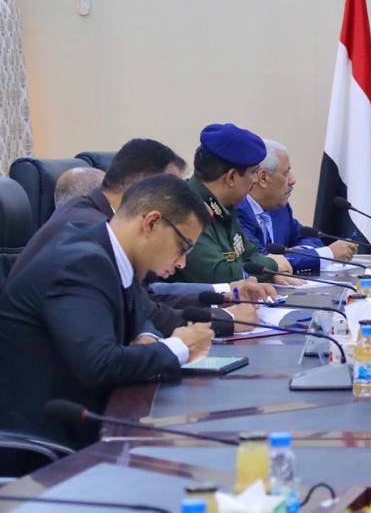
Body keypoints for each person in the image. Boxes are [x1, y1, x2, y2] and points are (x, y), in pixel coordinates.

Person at [0, 174, 215, 450]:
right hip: (48, 440)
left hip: (96, 417)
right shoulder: (79, 263)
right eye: (182, 247)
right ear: (151, 223)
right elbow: (99, 365)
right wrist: (179, 347)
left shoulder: (113, 252)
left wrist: (148, 338)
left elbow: (142, 316)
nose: (182, 262)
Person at [8, 138, 271, 336]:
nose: (179, 201)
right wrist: (226, 318)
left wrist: (225, 292)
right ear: (142, 187)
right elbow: (143, 308)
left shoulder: (100, 217)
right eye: (171, 190)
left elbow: (145, 295)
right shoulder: (88, 229)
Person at [169, 123, 299, 286]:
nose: (255, 180)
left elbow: (249, 253)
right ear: (231, 177)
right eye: (253, 173)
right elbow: (216, 275)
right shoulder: (186, 208)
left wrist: (267, 273)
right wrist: (272, 265)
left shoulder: (224, 205)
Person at [238, 139, 357, 273]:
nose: (293, 180)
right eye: (285, 173)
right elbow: (263, 261)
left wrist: (303, 251)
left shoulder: (279, 208)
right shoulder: (237, 212)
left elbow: (310, 238)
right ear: (263, 178)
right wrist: (328, 253)